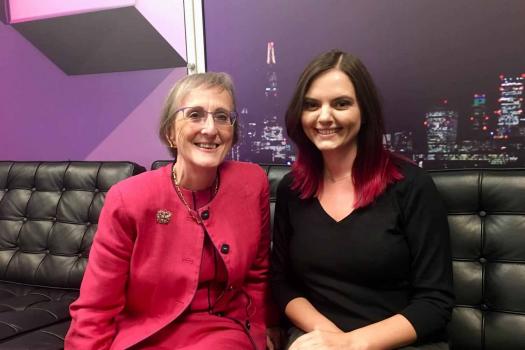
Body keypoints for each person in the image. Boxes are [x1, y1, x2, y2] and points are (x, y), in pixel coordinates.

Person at [65, 72, 279, 349]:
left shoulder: (251, 183)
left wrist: (261, 330)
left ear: (233, 133)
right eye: (195, 115)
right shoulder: (128, 197)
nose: (211, 128)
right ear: (170, 132)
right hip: (143, 332)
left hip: (220, 330)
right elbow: (97, 304)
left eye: (223, 116)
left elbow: (257, 274)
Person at [271, 50, 454, 350]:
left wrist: (350, 345)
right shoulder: (293, 188)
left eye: (341, 104)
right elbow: (281, 282)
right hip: (319, 339)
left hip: (400, 343)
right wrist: (329, 337)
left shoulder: (411, 186)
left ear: (364, 111)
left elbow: (435, 303)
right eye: (312, 105)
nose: (325, 116)